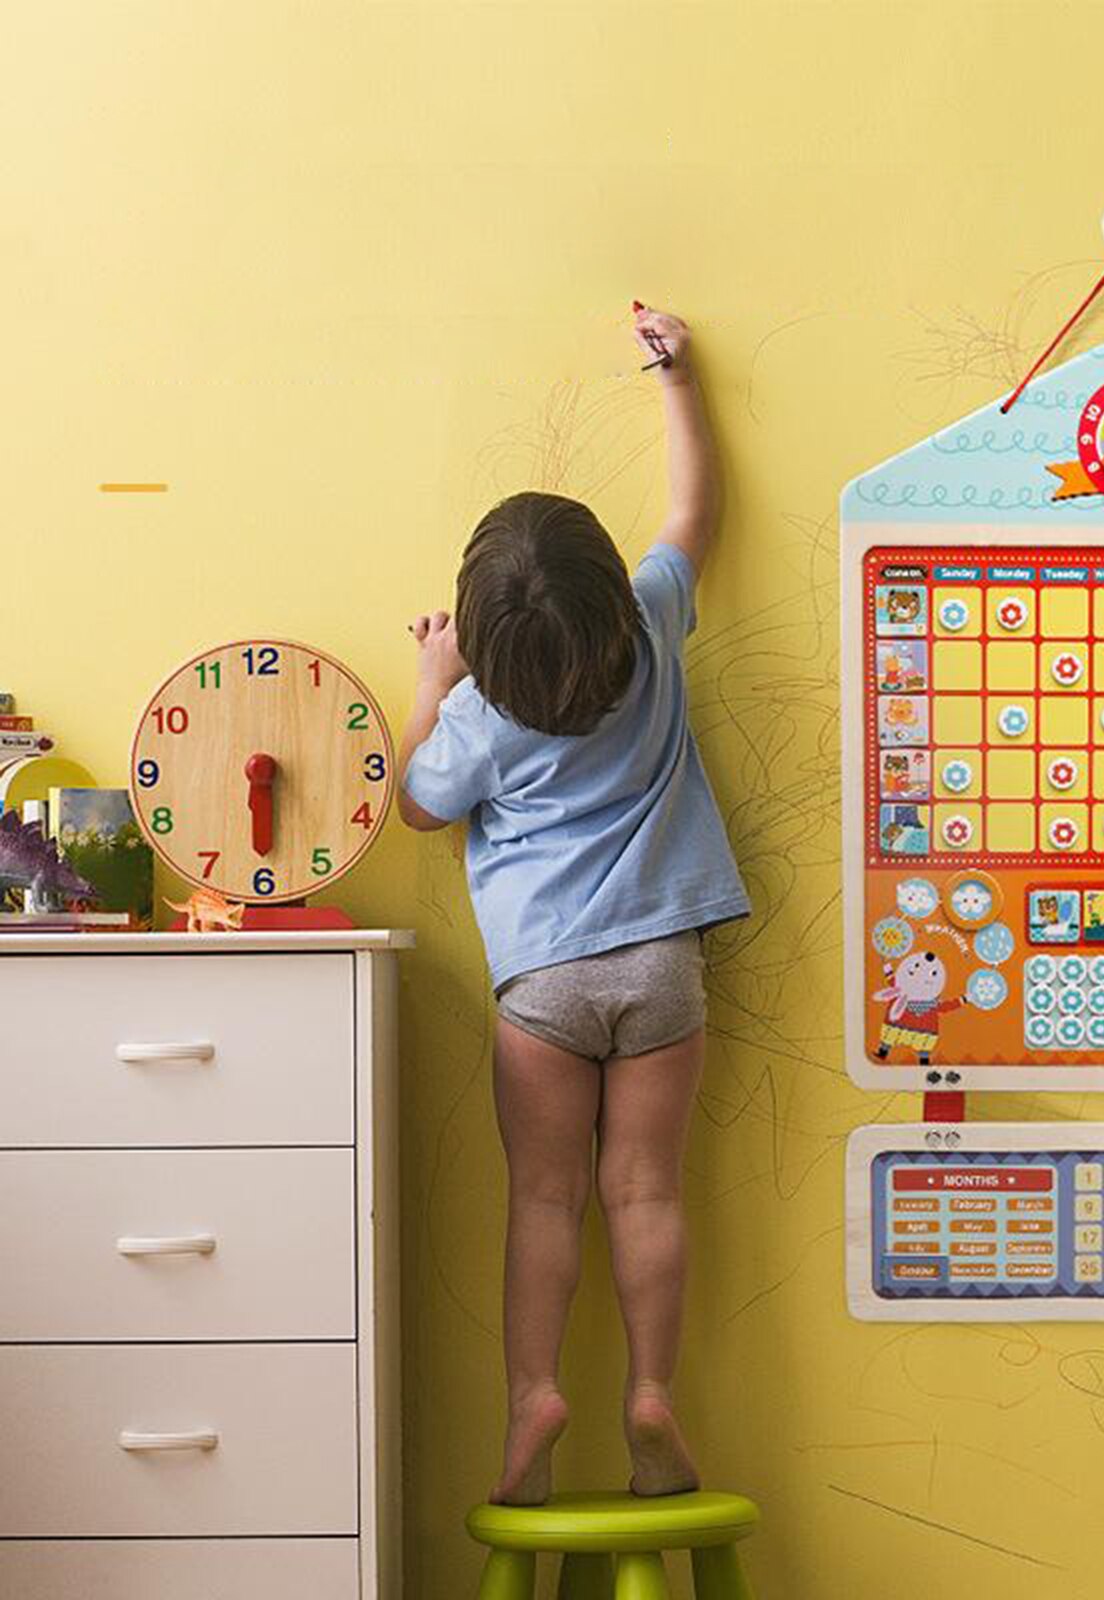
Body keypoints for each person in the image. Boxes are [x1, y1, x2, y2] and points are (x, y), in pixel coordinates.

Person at [398, 305, 749, 1505]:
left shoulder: (482, 713)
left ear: (488, 638)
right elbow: (694, 512)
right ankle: (652, 1389)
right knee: (645, 1188)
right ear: (607, 593)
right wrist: (676, 380)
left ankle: (532, 1393)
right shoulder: (651, 624)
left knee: (544, 1195)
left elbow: (415, 807)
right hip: (663, 969)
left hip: (541, 984)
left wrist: (431, 682)